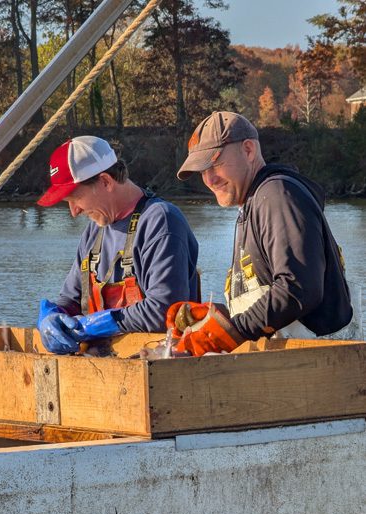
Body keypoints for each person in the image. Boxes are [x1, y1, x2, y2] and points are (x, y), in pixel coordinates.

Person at [171, 111, 352, 353]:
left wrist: (231, 331)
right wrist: (216, 319)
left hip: (317, 368)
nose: (209, 179)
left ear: (248, 150)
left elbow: (298, 288)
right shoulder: (252, 202)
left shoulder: (277, 195)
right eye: (202, 171)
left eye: (214, 163)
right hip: (283, 368)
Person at [36, 135, 199, 353]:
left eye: (75, 198)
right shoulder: (95, 231)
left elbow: (164, 311)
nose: (74, 212)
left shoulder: (161, 221)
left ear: (105, 181)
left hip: (161, 370)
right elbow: (72, 298)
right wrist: (54, 316)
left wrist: (95, 324)